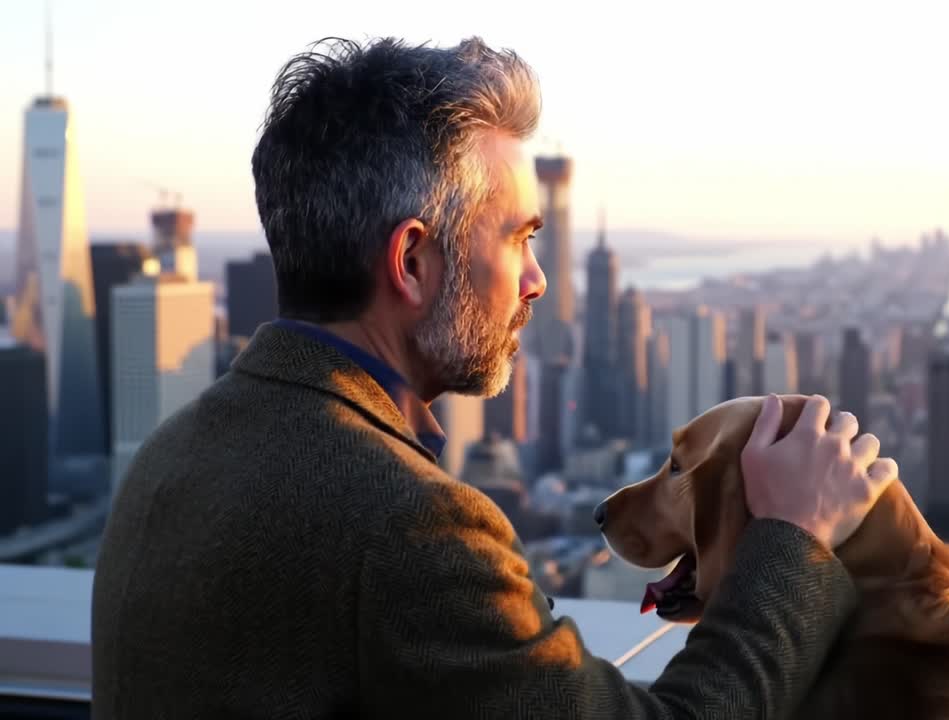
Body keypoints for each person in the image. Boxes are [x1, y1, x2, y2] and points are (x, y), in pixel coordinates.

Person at [90, 36, 899, 719]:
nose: (536, 280)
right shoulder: (414, 529)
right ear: (413, 261)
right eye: (518, 239)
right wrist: (792, 540)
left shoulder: (174, 454)